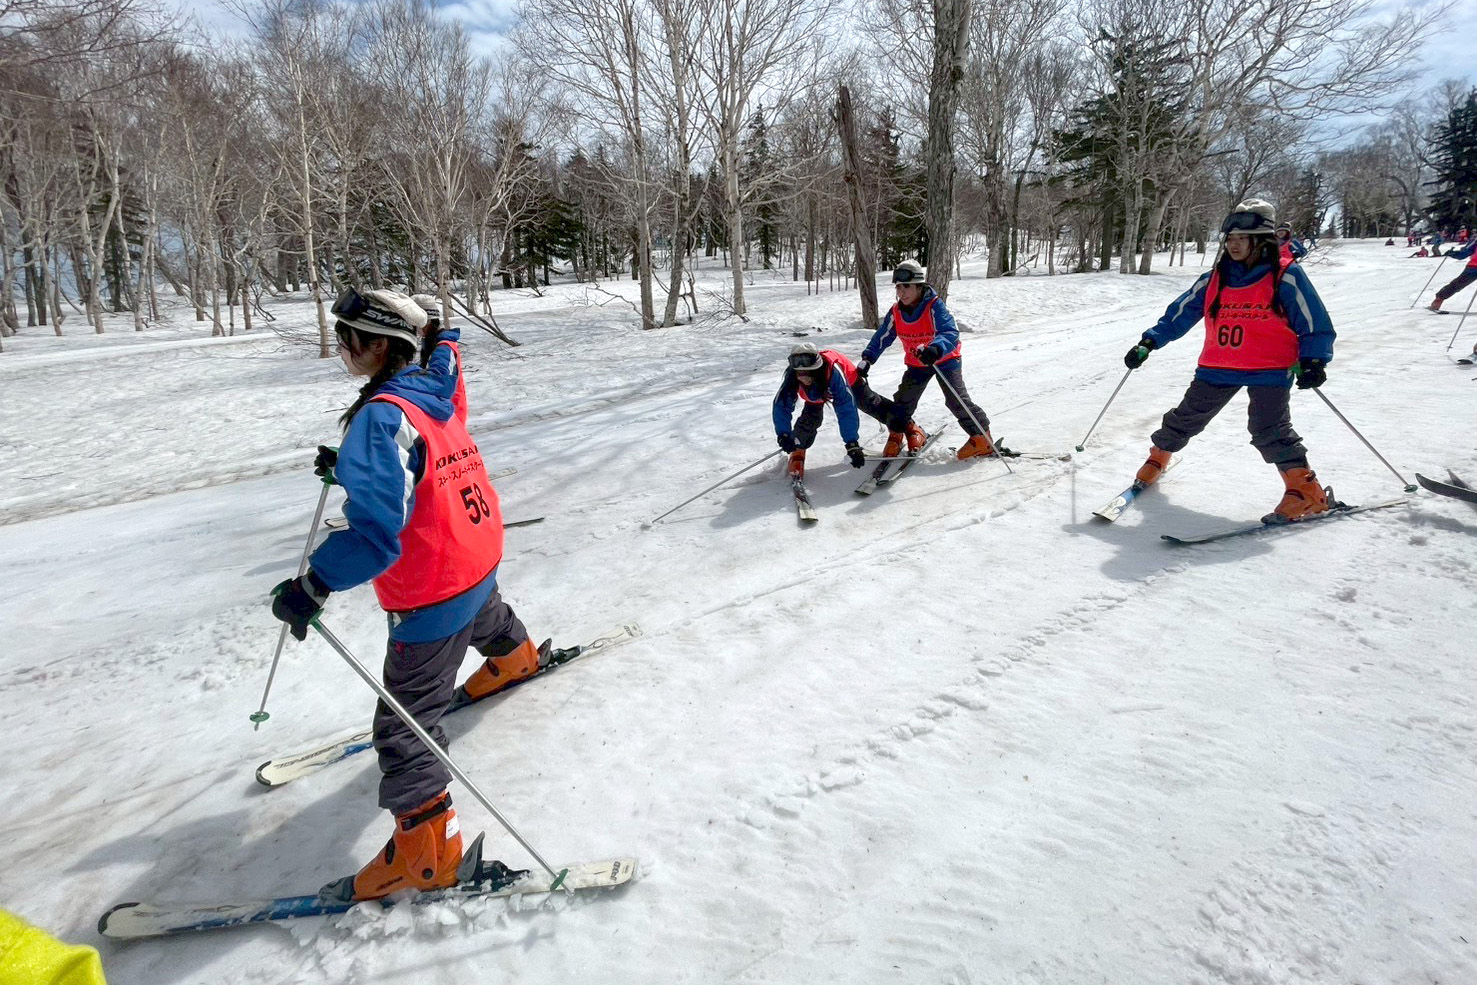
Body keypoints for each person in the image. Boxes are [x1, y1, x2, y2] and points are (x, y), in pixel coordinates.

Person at [269, 288, 552, 902]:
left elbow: (376, 532)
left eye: (347, 338)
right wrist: (352, 463)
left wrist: (313, 584)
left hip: (431, 585)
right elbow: (447, 358)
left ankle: (428, 856)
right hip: (476, 546)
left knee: (404, 729)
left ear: (376, 346)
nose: (341, 349)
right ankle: (514, 658)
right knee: (485, 611)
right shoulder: (433, 386)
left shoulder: (380, 419)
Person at [1121, 199, 1337, 522]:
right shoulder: (1216, 279)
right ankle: (1158, 457)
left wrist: (1314, 361)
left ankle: (1305, 491)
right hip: (1219, 365)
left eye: (1242, 238)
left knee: (1268, 429)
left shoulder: (1286, 276)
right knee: (1186, 417)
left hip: (1270, 368)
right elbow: (1181, 312)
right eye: (1230, 239)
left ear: (1261, 239)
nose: (1234, 245)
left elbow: (1313, 321)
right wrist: (1150, 341)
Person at [859, 260, 999, 461]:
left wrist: (936, 348)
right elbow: (883, 336)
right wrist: (868, 358)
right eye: (898, 287)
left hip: (944, 360)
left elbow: (950, 331)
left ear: (919, 286)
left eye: (907, 286)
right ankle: (900, 432)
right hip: (917, 364)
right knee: (903, 401)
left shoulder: (934, 306)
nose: (902, 292)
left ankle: (981, 438)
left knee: (956, 399)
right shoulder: (896, 312)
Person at [773, 343, 890, 477]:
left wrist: (851, 443)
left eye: (807, 374)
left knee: (870, 403)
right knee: (809, 420)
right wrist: (784, 434)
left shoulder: (833, 372)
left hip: (851, 381)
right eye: (800, 374)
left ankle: (903, 428)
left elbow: (846, 408)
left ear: (816, 369)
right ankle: (798, 448)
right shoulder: (792, 376)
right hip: (816, 393)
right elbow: (781, 405)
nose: (803, 379)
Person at [1426, 237, 1477, 333]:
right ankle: (1439, 299)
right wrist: (1454, 253)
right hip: (1474, 266)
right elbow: (1465, 253)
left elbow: (1465, 253)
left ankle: (1439, 299)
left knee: (1458, 284)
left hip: (1473, 267)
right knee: (1458, 284)